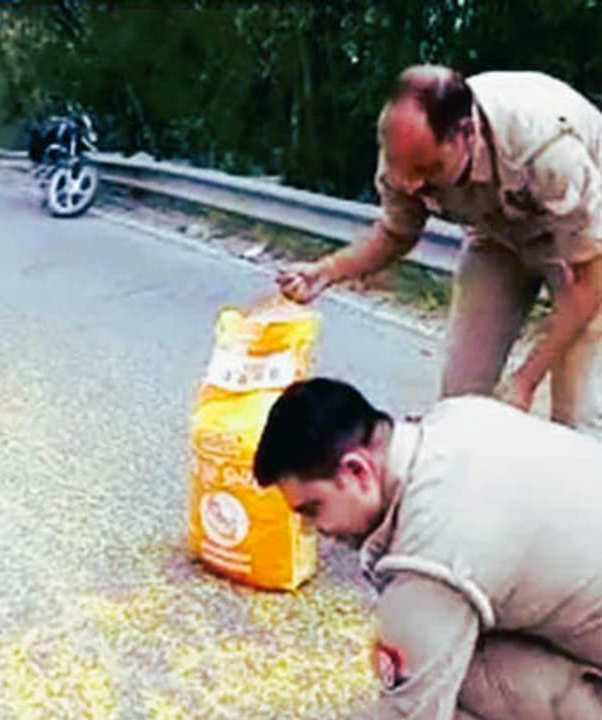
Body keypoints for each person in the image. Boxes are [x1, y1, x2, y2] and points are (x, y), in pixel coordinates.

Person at [276, 66, 602, 438]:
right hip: (497, 236)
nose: (411, 184)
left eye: (428, 169)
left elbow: (590, 283)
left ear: (467, 133)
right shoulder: (404, 152)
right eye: (401, 169)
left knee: (575, 417)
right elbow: (396, 234)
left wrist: (525, 380)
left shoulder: (546, 148)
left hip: (584, 244)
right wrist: (326, 271)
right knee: (460, 405)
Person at [253, 377, 602, 718]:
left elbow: (411, 710)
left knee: (447, 673)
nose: (312, 529)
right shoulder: (459, 416)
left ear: (357, 471)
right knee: (444, 637)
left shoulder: (432, 546)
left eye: (312, 510)